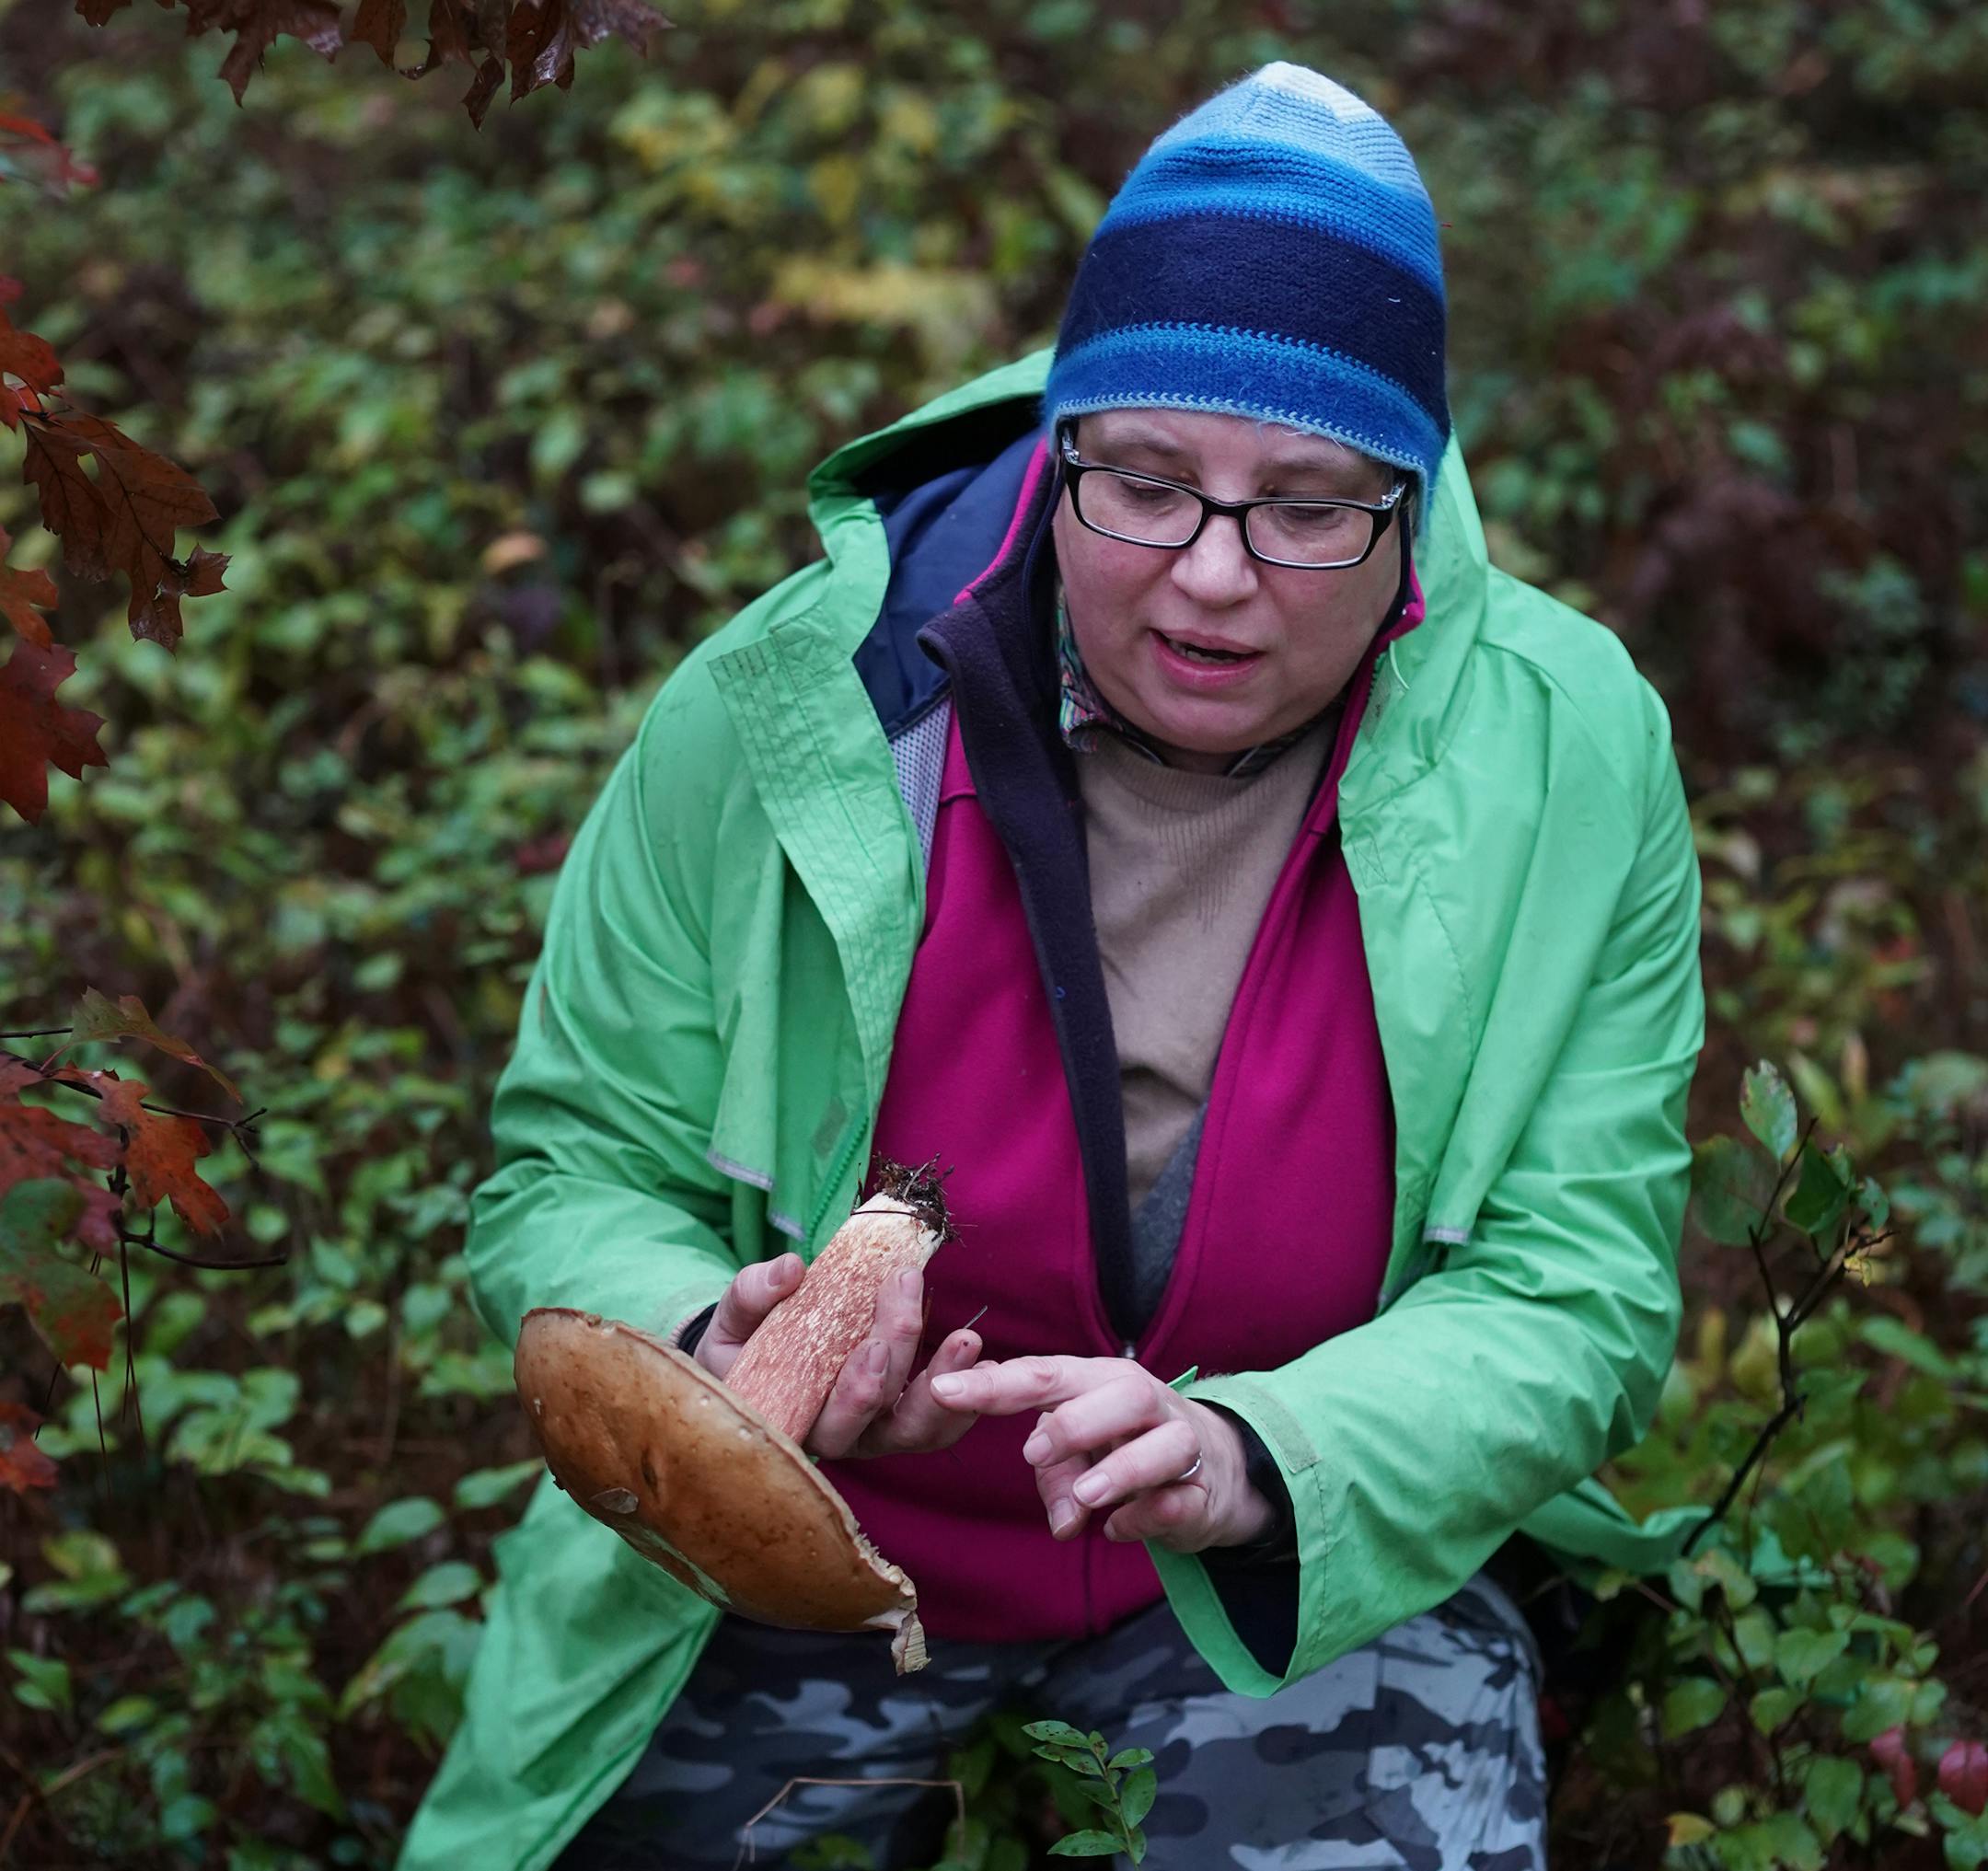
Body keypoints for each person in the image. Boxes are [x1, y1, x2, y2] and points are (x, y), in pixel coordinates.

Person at [399, 60, 1704, 1871]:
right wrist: (707, 1353)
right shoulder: (796, 709)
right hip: (799, 1558)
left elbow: (1584, 1288)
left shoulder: (1567, 752)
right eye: (1148, 484)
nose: (1216, 578)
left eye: (1308, 503)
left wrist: (1256, 1461)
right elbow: (570, 1166)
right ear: (1056, 446)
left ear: (1411, 509)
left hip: (1287, 1572)